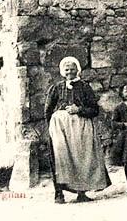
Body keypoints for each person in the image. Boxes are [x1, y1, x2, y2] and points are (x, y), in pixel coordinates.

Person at [45, 56, 111, 204]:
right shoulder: (56, 88)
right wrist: (51, 127)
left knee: (82, 158)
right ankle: (59, 193)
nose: (70, 72)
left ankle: (82, 192)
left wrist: (79, 109)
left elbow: (94, 110)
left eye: (72, 69)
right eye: (67, 69)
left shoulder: (85, 87)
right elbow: (48, 110)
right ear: (62, 71)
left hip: (81, 126)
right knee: (60, 157)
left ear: (78, 70)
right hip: (60, 128)